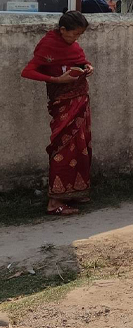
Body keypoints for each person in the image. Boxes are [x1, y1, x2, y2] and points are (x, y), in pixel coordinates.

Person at [21, 11, 95, 216]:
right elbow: (27, 71)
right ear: (63, 30)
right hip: (62, 103)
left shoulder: (72, 44)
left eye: (80, 35)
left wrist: (87, 67)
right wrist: (57, 81)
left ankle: (74, 192)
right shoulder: (49, 45)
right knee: (63, 149)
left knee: (80, 146)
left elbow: (79, 60)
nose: (77, 38)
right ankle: (55, 202)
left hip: (80, 101)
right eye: (75, 34)